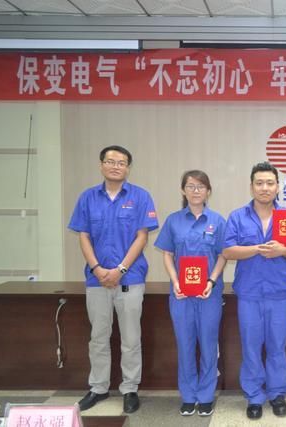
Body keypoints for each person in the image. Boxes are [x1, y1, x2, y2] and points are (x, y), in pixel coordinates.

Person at [68, 145, 159, 414]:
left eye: (121, 162)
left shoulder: (140, 196)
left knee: (131, 337)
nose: (116, 166)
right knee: (98, 336)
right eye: (110, 161)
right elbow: (83, 235)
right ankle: (98, 387)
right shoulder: (87, 198)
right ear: (101, 165)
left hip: (130, 277)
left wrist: (120, 269)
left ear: (128, 168)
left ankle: (130, 388)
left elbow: (142, 237)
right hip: (96, 279)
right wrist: (97, 268)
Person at [222, 162, 286, 420]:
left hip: (280, 292)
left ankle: (277, 394)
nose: (264, 188)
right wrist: (257, 249)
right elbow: (228, 251)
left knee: (277, 346)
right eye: (259, 183)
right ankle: (254, 396)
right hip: (249, 293)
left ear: (277, 187)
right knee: (251, 346)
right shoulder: (238, 216)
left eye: (270, 183)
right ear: (251, 186)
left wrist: (282, 250)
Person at [154, 170, 227, 417]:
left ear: (208, 191)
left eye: (201, 186)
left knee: (208, 344)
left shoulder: (217, 221)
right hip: (181, 295)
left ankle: (205, 395)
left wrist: (212, 281)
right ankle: (188, 395)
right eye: (190, 186)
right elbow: (167, 254)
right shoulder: (173, 221)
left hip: (209, 294)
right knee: (185, 344)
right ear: (183, 190)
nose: (196, 191)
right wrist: (175, 281)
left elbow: (223, 255)